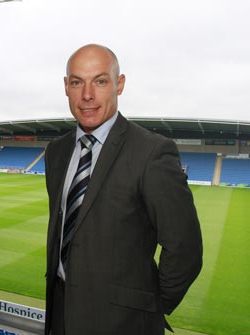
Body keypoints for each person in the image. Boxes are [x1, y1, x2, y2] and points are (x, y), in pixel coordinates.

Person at [44, 44, 203, 335]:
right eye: (78, 82)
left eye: (100, 81)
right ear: (66, 87)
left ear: (120, 84)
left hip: (124, 324)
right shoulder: (56, 152)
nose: (87, 95)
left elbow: (185, 248)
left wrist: (147, 305)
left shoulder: (152, 152)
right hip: (61, 316)